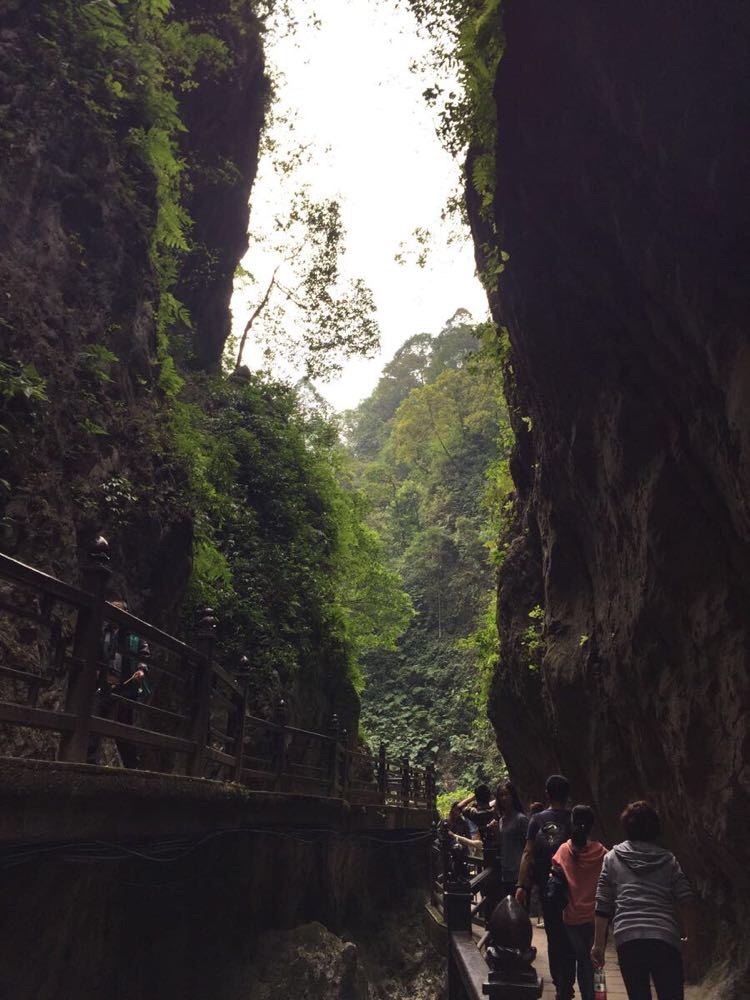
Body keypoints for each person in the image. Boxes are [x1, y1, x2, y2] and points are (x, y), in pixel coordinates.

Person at [592, 801, 696, 1000]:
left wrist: (598, 945)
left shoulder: (612, 858)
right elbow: (686, 900)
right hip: (664, 937)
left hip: (627, 938)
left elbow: (603, 903)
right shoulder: (668, 860)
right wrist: (691, 941)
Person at [515, 774, 576, 1000]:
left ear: (547, 794)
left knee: (554, 934)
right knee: (570, 934)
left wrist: (521, 885)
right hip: (573, 888)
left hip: (547, 886)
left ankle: (559, 981)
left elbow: (528, 853)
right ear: (567, 795)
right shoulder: (574, 819)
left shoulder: (537, 821)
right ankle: (567, 984)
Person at [550, 804, 607, 1000]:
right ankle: (594, 996)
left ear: (572, 823)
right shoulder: (602, 853)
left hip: (571, 918)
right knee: (594, 963)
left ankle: (574, 993)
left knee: (577, 960)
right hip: (595, 918)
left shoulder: (563, 850)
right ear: (592, 826)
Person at [87, 597, 151, 769]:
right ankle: (89, 762)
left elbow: (143, 654)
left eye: (118, 611)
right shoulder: (104, 631)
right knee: (94, 721)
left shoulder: (133, 636)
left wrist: (141, 669)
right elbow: (95, 651)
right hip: (104, 683)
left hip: (126, 686)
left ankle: (131, 766)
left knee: (124, 727)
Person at [492, 781, 528, 899]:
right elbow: (503, 844)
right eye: (501, 795)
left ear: (513, 796)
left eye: (506, 794)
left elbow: (528, 847)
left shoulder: (521, 819)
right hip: (506, 873)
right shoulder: (501, 820)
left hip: (519, 874)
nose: (504, 798)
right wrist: (496, 831)